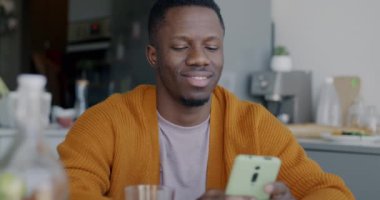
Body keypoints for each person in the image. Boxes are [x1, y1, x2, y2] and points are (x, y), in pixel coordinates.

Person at [57, 0, 354, 200]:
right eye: (180, 46)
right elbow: (68, 191)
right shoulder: (107, 121)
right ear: (153, 55)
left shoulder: (253, 124)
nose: (200, 59)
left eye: (212, 47)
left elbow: (331, 191)